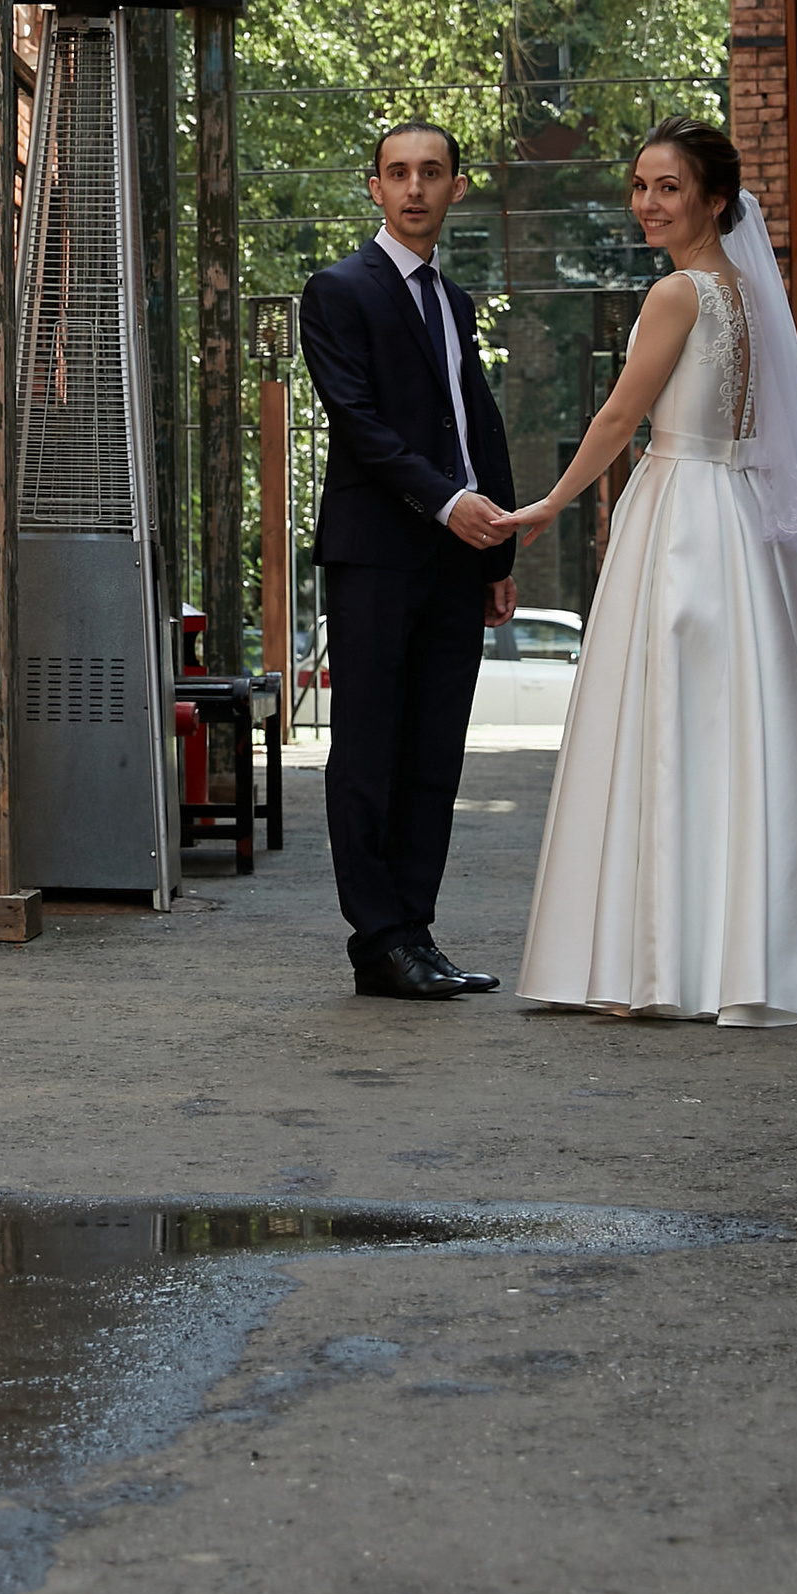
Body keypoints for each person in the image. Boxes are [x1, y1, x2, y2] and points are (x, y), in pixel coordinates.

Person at [458, 116, 797, 1028]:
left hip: (682, 509)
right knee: (743, 720)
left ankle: (665, 958)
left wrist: (546, 506)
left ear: (715, 199)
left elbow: (615, 421)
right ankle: (755, 945)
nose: (646, 203)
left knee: (668, 718)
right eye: (640, 186)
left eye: (668, 187)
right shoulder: (747, 293)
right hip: (732, 513)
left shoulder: (679, 293)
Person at [298, 121, 520, 1002]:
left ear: (457, 188)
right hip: (378, 553)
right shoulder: (338, 290)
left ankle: (416, 933)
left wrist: (496, 546)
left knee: (435, 749)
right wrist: (446, 501)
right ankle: (377, 938)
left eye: (432, 173)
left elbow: (475, 424)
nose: (415, 187)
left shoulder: (455, 302)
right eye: (398, 173)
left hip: (458, 556)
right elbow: (360, 425)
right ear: (374, 188)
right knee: (369, 748)